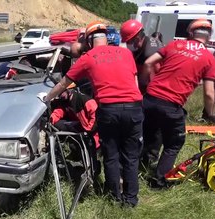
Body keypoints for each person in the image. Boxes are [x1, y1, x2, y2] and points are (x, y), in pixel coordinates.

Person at [39, 21, 143, 207]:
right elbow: (134, 83)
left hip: (109, 110)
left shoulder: (87, 58)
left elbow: (63, 84)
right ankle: (131, 200)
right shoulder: (126, 53)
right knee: (131, 156)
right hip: (134, 108)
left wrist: (47, 98)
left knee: (111, 155)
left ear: (89, 40)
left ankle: (114, 197)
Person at [142, 19, 215, 188]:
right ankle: (159, 181)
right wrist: (212, 114)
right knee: (174, 143)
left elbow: (149, 62)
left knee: (148, 135)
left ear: (190, 33)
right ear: (209, 36)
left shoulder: (174, 45)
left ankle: (138, 168)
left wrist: (146, 85)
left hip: (149, 98)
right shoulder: (209, 58)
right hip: (171, 105)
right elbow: (208, 93)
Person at [120, 19, 163, 174]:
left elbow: (153, 79)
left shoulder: (150, 52)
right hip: (143, 91)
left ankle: (149, 158)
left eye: (130, 41)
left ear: (138, 38)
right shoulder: (140, 46)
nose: (129, 45)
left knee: (154, 126)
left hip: (153, 93)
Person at [50, 84, 101, 176]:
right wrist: (52, 119)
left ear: (69, 90)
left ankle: (93, 172)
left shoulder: (85, 100)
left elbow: (96, 117)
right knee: (58, 125)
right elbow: (60, 110)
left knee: (91, 160)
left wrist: (87, 131)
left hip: (92, 135)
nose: (59, 95)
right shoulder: (65, 101)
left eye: (61, 93)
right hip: (79, 130)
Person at [120, 19, 164, 94]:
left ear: (137, 39)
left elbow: (148, 81)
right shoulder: (142, 44)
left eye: (128, 42)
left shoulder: (150, 53)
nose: (127, 44)